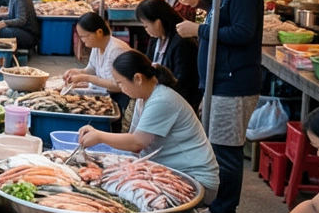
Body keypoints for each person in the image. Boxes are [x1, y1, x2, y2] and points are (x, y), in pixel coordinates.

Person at [177, 0, 264, 213]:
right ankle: (218, 206)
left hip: (234, 82)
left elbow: (242, 32)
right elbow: (226, 19)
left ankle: (225, 212)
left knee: (227, 150)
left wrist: (198, 29)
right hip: (220, 81)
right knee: (218, 147)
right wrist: (202, 3)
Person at [77, 51, 219, 200]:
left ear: (138, 78)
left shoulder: (162, 100)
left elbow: (136, 143)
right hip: (170, 172)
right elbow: (131, 139)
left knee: (128, 192)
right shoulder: (143, 99)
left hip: (195, 180)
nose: (120, 87)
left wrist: (99, 136)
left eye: (120, 83)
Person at [135, 0, 201, 110]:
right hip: (158, 97)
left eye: (146, 25)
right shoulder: (156, 39)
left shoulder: (182, 41)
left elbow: (183, 81)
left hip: (177, 102)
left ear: (158, 22)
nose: (145, 29)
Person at [63, 12, 132, 111]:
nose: (82, 40)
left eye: (84, 36)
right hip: (107, 95)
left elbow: (119, 86)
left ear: (99, 32)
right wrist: (77, 72)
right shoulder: (97, 47)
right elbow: (92, 69)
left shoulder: (116, 50)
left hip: (121, 99)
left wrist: (85, 78)